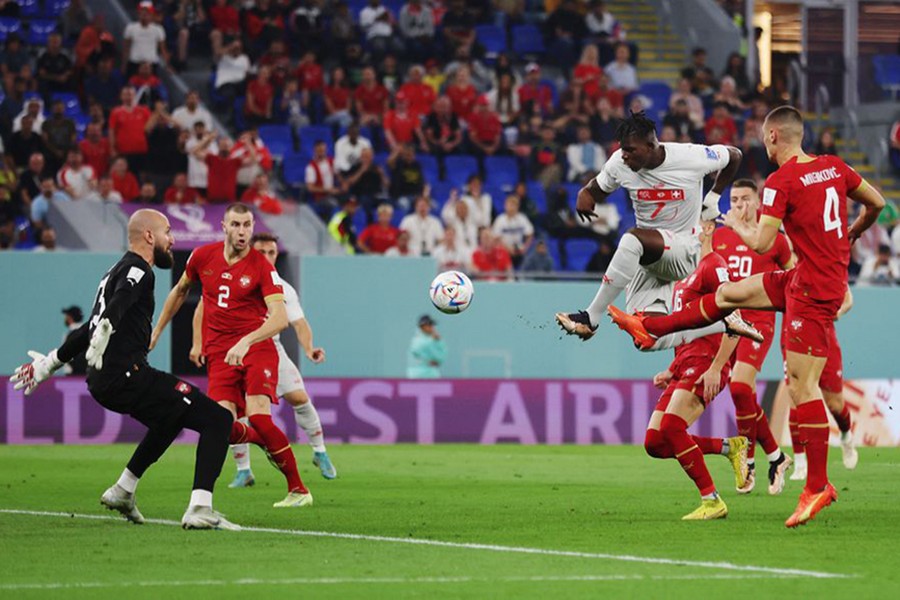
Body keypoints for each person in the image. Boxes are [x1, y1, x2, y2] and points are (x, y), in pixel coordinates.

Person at [609, 106, 886, 527]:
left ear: (774, 136)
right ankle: (650, 327)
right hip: (805, 278)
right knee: (728, 293)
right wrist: (854, 233)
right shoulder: (834, 166)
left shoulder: (780, 182)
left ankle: (817, 486)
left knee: (801, 386)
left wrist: (733, 222)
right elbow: (878, 202)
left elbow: (759, 243)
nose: (764, 146)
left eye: (764, 138)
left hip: (812, 292)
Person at [10, 209, 239, 530]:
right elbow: (119, 303)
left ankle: (123, 490)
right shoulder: (139, 271)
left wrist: (49, 363)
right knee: (218, 419)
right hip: (127, 375)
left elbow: (92, 323)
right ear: (149, 236)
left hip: (102, 380)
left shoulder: (113, 271)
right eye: (168, 232)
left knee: (168, 418)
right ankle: (200, 508)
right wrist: (108, 324)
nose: (172, 240)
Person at [150, 203, 313, 508]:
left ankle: (299, 490)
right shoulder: (202, 257)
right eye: (236, 225)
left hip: (257, 349)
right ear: (224, 226)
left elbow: (279, 319)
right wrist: (157, 331)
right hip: (220, 353)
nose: (242, 231)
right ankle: (268, 444)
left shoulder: (262, 267)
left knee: (262, 419)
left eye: (247, 225)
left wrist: (246, 341)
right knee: (220, 425)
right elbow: (180, 290)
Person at [555, 111, 743, 342]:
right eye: (622, 149)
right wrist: (586, 193)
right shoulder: (619, 162)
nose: (624, 155)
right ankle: (723, 325)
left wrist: (713, 196)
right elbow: (597, 188)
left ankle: (591, 317)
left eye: (631, 150)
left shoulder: (691, 157)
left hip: (683, 250)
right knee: (646, 337)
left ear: (651, 144)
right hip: (649, 257)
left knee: (631, 238)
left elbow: (734, 155)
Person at [192, 232, 337, 485]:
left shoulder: (282, 288)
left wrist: (309, 348)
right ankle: (244, 470)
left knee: (298, 398)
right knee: (234, 412)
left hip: (269, 350)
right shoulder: (231, 277)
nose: (267, 257)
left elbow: (299, 323)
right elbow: (201, 310)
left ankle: (319, 451)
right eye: (262, 252)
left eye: (272, 252)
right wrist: (198, 343)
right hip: (231, 350)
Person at [644, 218, 748, 520]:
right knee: (655, 443)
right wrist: (672, 368)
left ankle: (712, 500)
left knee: (672, 428)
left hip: (707, 363)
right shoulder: (681, 275)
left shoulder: (713, 264)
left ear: (706, 229)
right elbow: (688, 329)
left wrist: (718, 367)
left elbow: (735, 319)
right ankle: (731, 447)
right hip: (686, 362)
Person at [711, 179, 793, 493]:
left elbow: (794, 278)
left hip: (759, 321)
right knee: (740, 394)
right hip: (725, 323)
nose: (740, 205)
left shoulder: (774, 239)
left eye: (746, 199)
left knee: (741, 385)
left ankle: (749, 460)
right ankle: (775, 457)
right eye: (734, 200)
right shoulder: (720, 236)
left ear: (758, 203)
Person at [492, 195, 534, 268]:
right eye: (510, 205)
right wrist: (507, 248)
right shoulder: (500, 220)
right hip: (504, 250)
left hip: (519, 250)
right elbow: (496, 239)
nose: (512, 208)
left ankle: (523, 277)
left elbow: (530, 234)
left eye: (514, 205)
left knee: (529, 258)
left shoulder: (522, 218)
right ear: (505, 206)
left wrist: (525, 247)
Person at [61, 305, 87, 375]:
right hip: (88, 375)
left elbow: (65, 356)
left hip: (73, 377)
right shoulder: (89, 332)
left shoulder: (69, 336)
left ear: (70, 317)